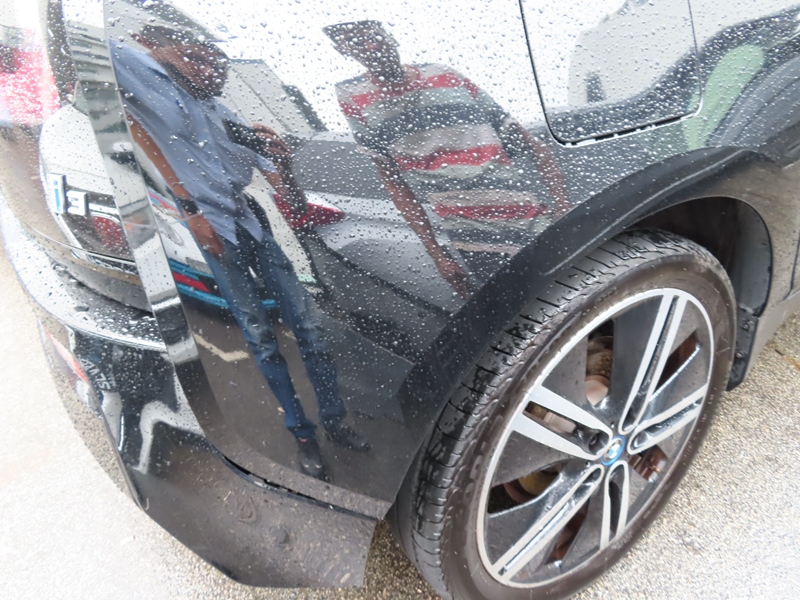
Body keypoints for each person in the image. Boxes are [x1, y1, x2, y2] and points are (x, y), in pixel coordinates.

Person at [111, 26, 367, 479]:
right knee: (259, 335)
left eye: (221, 65)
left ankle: (335, 419)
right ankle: (301, 434)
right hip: (211, 226)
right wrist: (190, 210)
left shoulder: (227, 116)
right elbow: (101, 50)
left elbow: (291, 201)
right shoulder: (154, 85)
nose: (214, 71)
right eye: (202, 59)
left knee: (308, 326)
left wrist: (283, 161)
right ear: (174, 53)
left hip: (250, 220)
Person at [325, 20, 569, 265]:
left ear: (391, 37)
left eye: (374, 36)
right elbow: (395, 185)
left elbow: (532, 145)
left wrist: (563, 206)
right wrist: (438, 256)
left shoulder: (444, 75)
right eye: (356, 42)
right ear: (344, 51)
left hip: (531, 221)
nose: (371, 46)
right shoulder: (352, 96)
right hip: (473, 242)